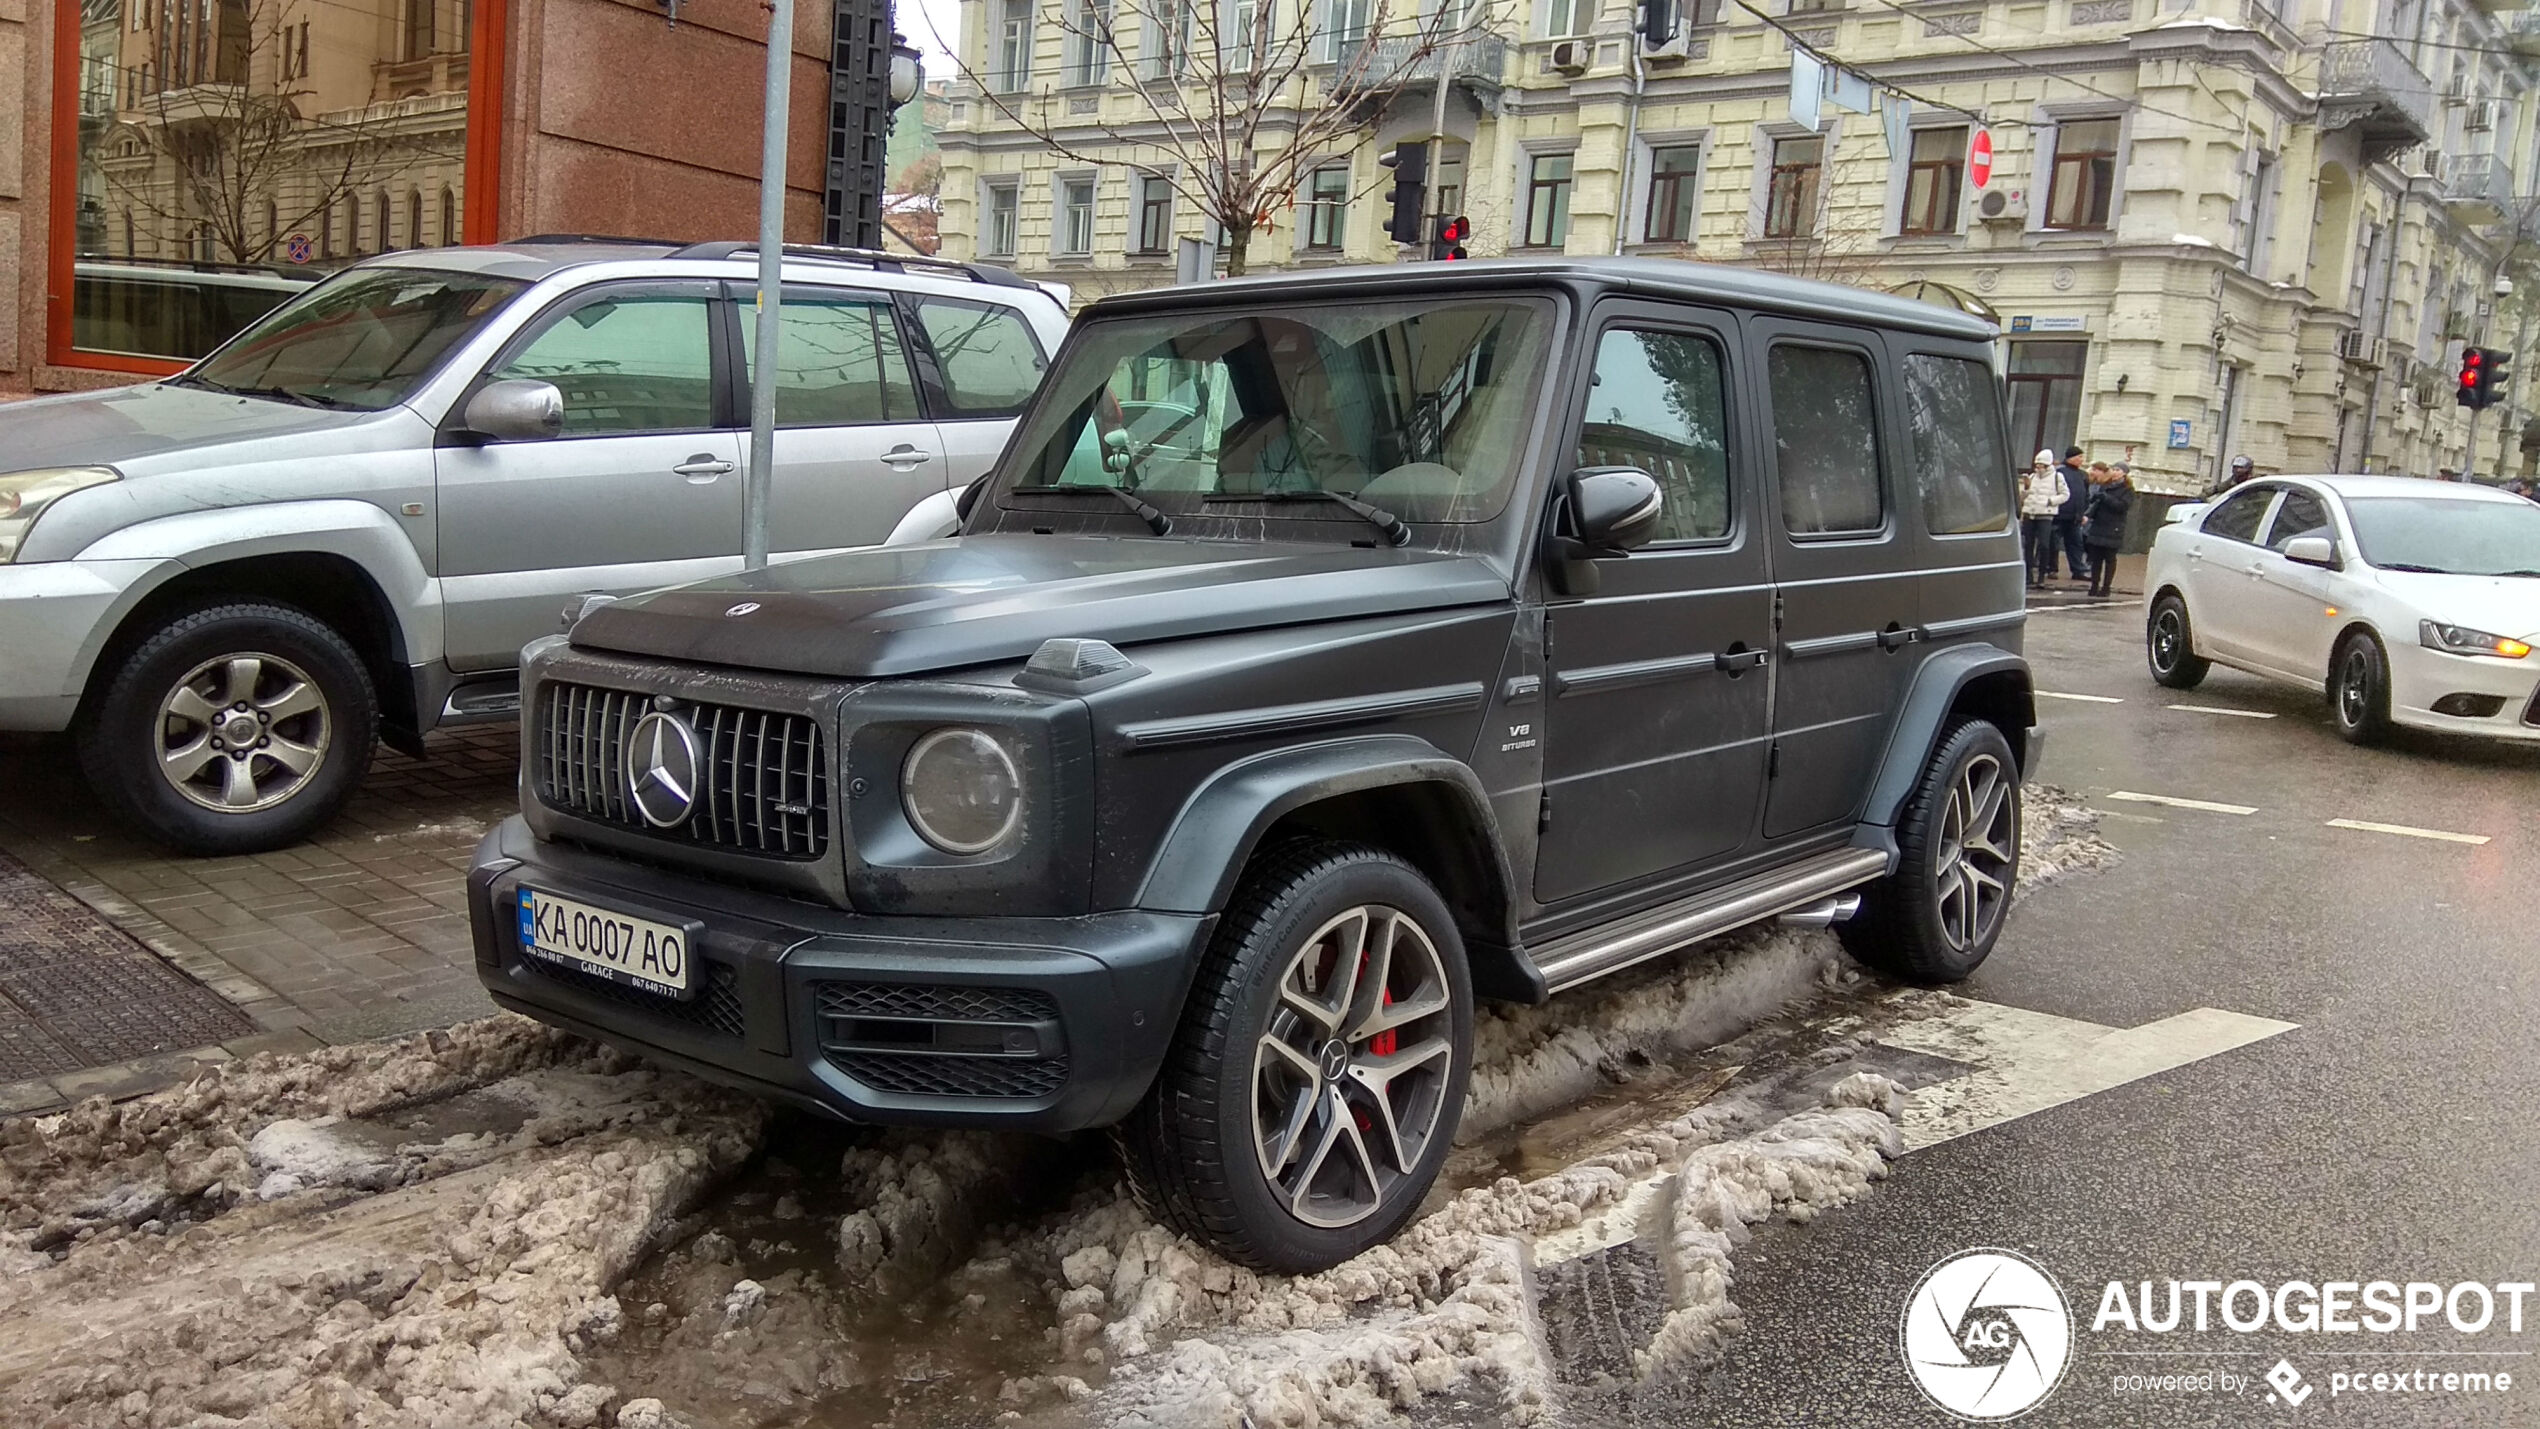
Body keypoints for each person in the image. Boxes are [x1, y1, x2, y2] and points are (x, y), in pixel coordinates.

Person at [2083, 462, 2134, 598]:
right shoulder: (2105, 485)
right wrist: (2089, 514)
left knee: (2110, 558)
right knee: (2096, 558)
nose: (2115, 472)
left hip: (2114, 527)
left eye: (2118, 470)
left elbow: (2122, 506)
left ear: (2124, 473)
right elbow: (2096, 504)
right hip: (2099, 525)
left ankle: (2106, 587)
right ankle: (2094, 585)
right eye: (2113, 469)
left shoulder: (2127, 489)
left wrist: (2106, 498)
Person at [2018, 450, 2060, 587]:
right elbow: (2024, 497)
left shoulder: (2057, 477)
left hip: (2045, 515)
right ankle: (2028, 575)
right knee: (2028, 545)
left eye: (2041, 466)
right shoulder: (2033, 477)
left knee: (2044, 544)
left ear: (2048, 465)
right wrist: (2026, 489)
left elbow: (2065, 495)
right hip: (2030, 513)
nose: (2038, 468)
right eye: (2037, 466)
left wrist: (2050, 501)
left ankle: (2042, 575)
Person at [2053, 446, 2092, 584]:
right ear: (2071, 457)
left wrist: (2083, 512)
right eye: (2079, 457)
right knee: (2053, 543)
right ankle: (2051, 569)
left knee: (2076, 544)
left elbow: (2086, 494)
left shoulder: (2083, 475)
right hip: (2059, 514)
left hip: (2075, 517)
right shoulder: (2059, 472)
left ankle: (2078, 570)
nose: (2081, 460)